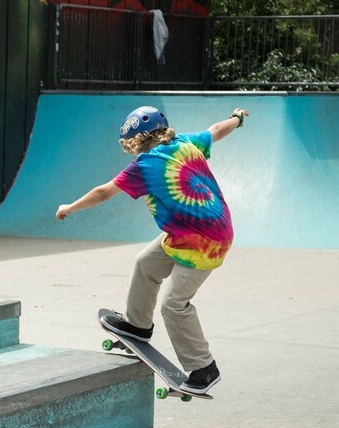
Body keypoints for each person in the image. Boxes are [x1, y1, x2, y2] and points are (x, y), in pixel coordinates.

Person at [55, 105, 249, 395]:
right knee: (146, 263)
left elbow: (104, 191)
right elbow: (216, 130)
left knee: (174, 304)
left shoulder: (144, 166)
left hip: (207, 243)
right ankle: (137, 326)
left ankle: (204, 368)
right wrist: (237, 118)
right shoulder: (185, 142)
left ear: (137, 140)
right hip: (186, 233)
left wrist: (70, 207)